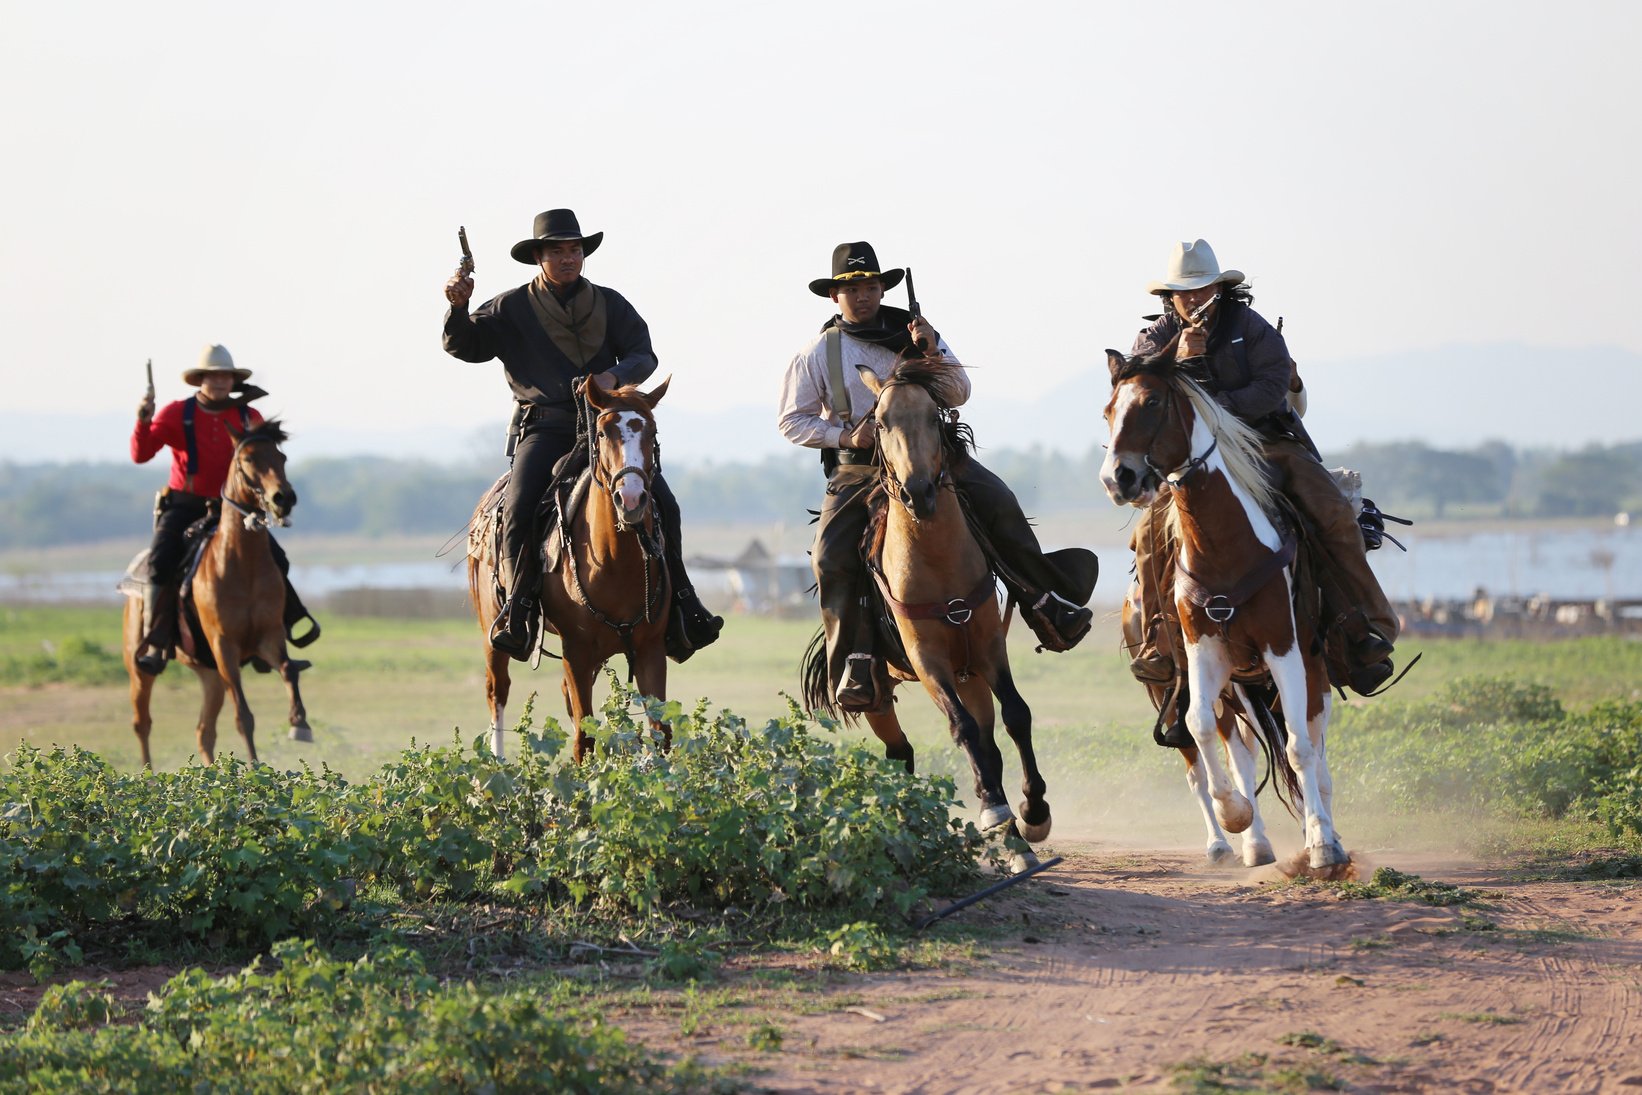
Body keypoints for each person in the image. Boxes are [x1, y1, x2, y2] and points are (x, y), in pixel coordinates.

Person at [778, 241, 1099, 711]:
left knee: (1000, 503)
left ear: (881, 289)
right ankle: (856, 659)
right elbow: (792, 420)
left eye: (869, 286)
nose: (863, 296)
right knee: (829, 557)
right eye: (852, 288)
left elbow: (959, 392)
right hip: (859, 471)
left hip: (936, 458)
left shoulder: (917, 333)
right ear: (834, 297)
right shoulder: (815, 354)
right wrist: (848, 438)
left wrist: (932, 351)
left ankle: (1045, 602)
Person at [1124, 239, 1398, 705]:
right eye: (1183, 291)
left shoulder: (1251, 328)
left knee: (1331, 510)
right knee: (1150, 531)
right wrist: (1180, 358)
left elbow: (1273, 385)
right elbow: (1138, 392)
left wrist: (1220, 415)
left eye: (1201, 288)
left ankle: (1364, 626)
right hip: (1188, 460)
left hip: (1264, 444)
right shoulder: (1153, 341)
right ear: (1168, 297)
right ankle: (1159, 641)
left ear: (1219, 287)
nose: (1192, 298)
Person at [443, 207, 722, 662]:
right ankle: (518, 607)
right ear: (539, 257)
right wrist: (458, 309)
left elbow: (643, 354)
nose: (569, 258)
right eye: (558, 251)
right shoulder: (509, 306)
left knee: (665, 504)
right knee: (517, 507)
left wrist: (614, 377)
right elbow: (465, 346)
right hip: (546, 426)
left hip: (606, 428)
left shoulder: (611, 303)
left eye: (575, 250)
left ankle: (684, 605)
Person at [130, 344, 320, 676]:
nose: (219, 382)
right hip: (185, 506)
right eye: (213, 376)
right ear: (200, 379)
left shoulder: (250, 417)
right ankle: (156, 639)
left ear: (233, 380)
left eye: (225, 376)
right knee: (160, 562)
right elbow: (142, 454)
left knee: (278, 559)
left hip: (235, 509)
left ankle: (278, 639)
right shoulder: (177, 413)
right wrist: (143, 422)